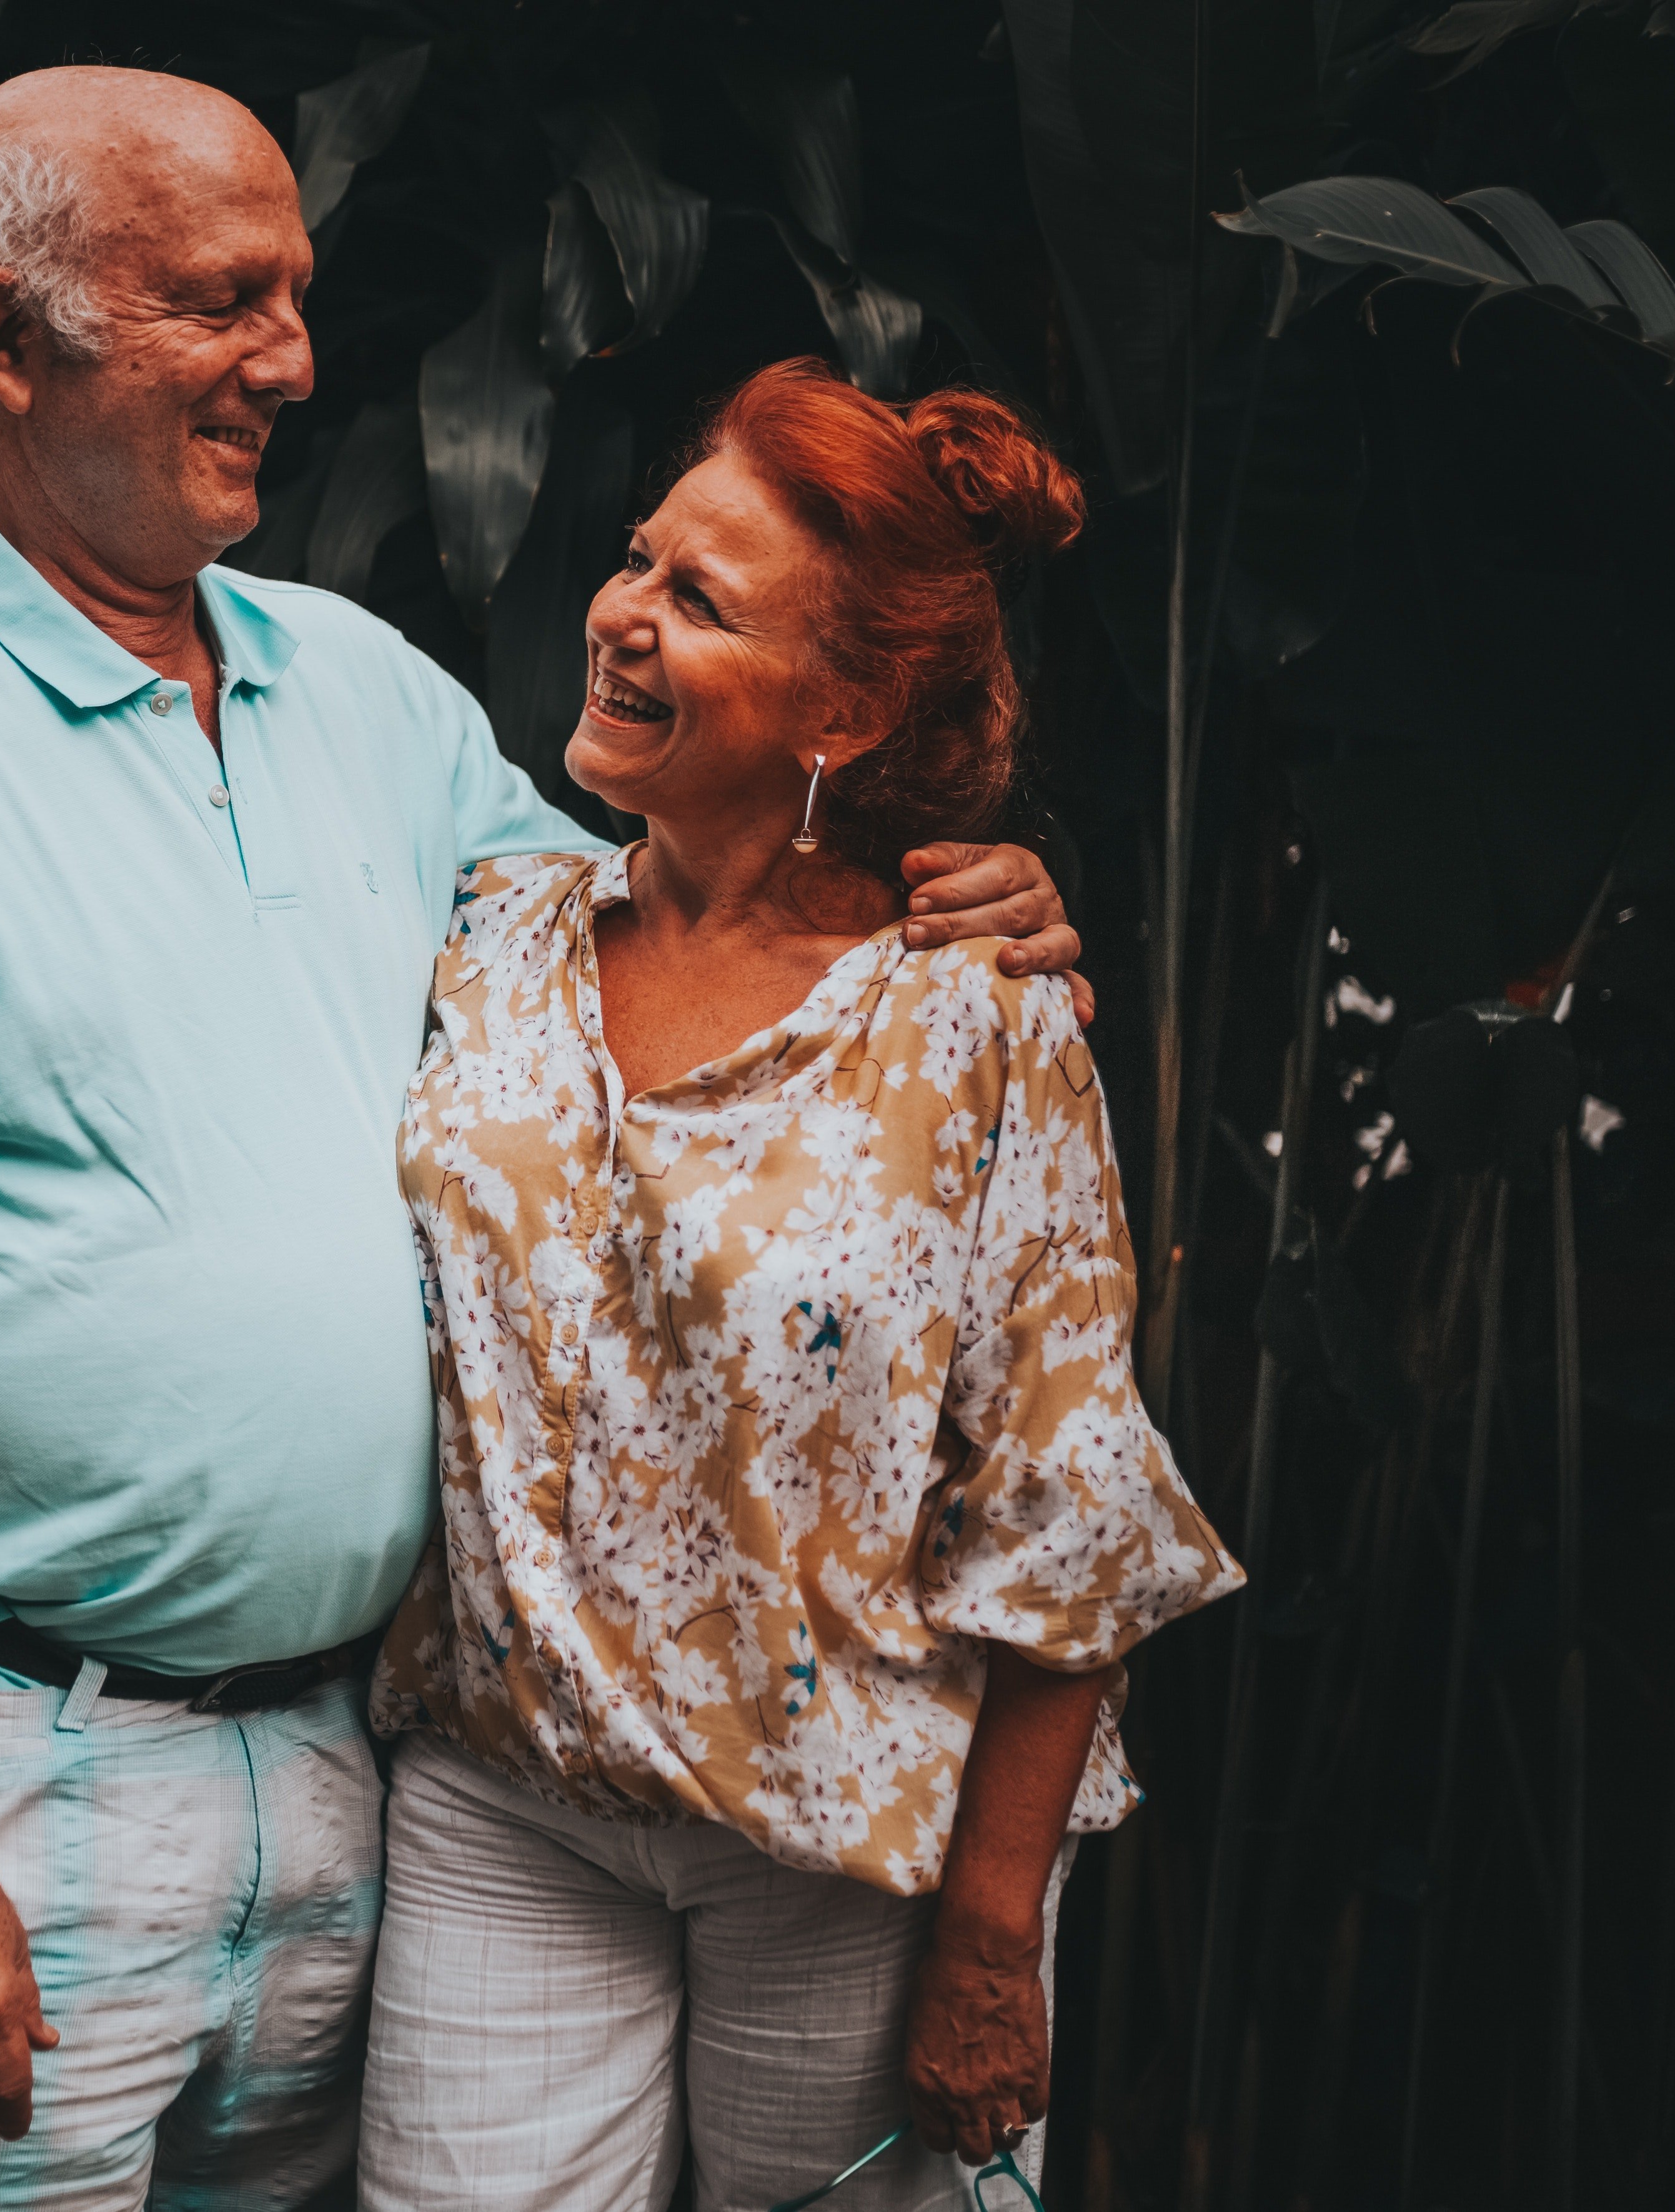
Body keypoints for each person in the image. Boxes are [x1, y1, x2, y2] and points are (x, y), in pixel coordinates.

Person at [0, 68, 1088, 2212]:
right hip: (22, 1782)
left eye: (296, 297)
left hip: (365, 1787)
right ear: (12, 342)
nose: (297, 364)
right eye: (223, 301)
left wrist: (942, 897)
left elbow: (683, 945)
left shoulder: (370, 700)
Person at [354, 362, 1242, 2212]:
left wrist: (995, 1941)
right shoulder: (496, 937)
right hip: (510, 1803)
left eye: (699, 600)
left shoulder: (976, 1019)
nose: (620, 614)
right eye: (636, 560)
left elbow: (1068, 1516)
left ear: (842, 708)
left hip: (858, 1861)